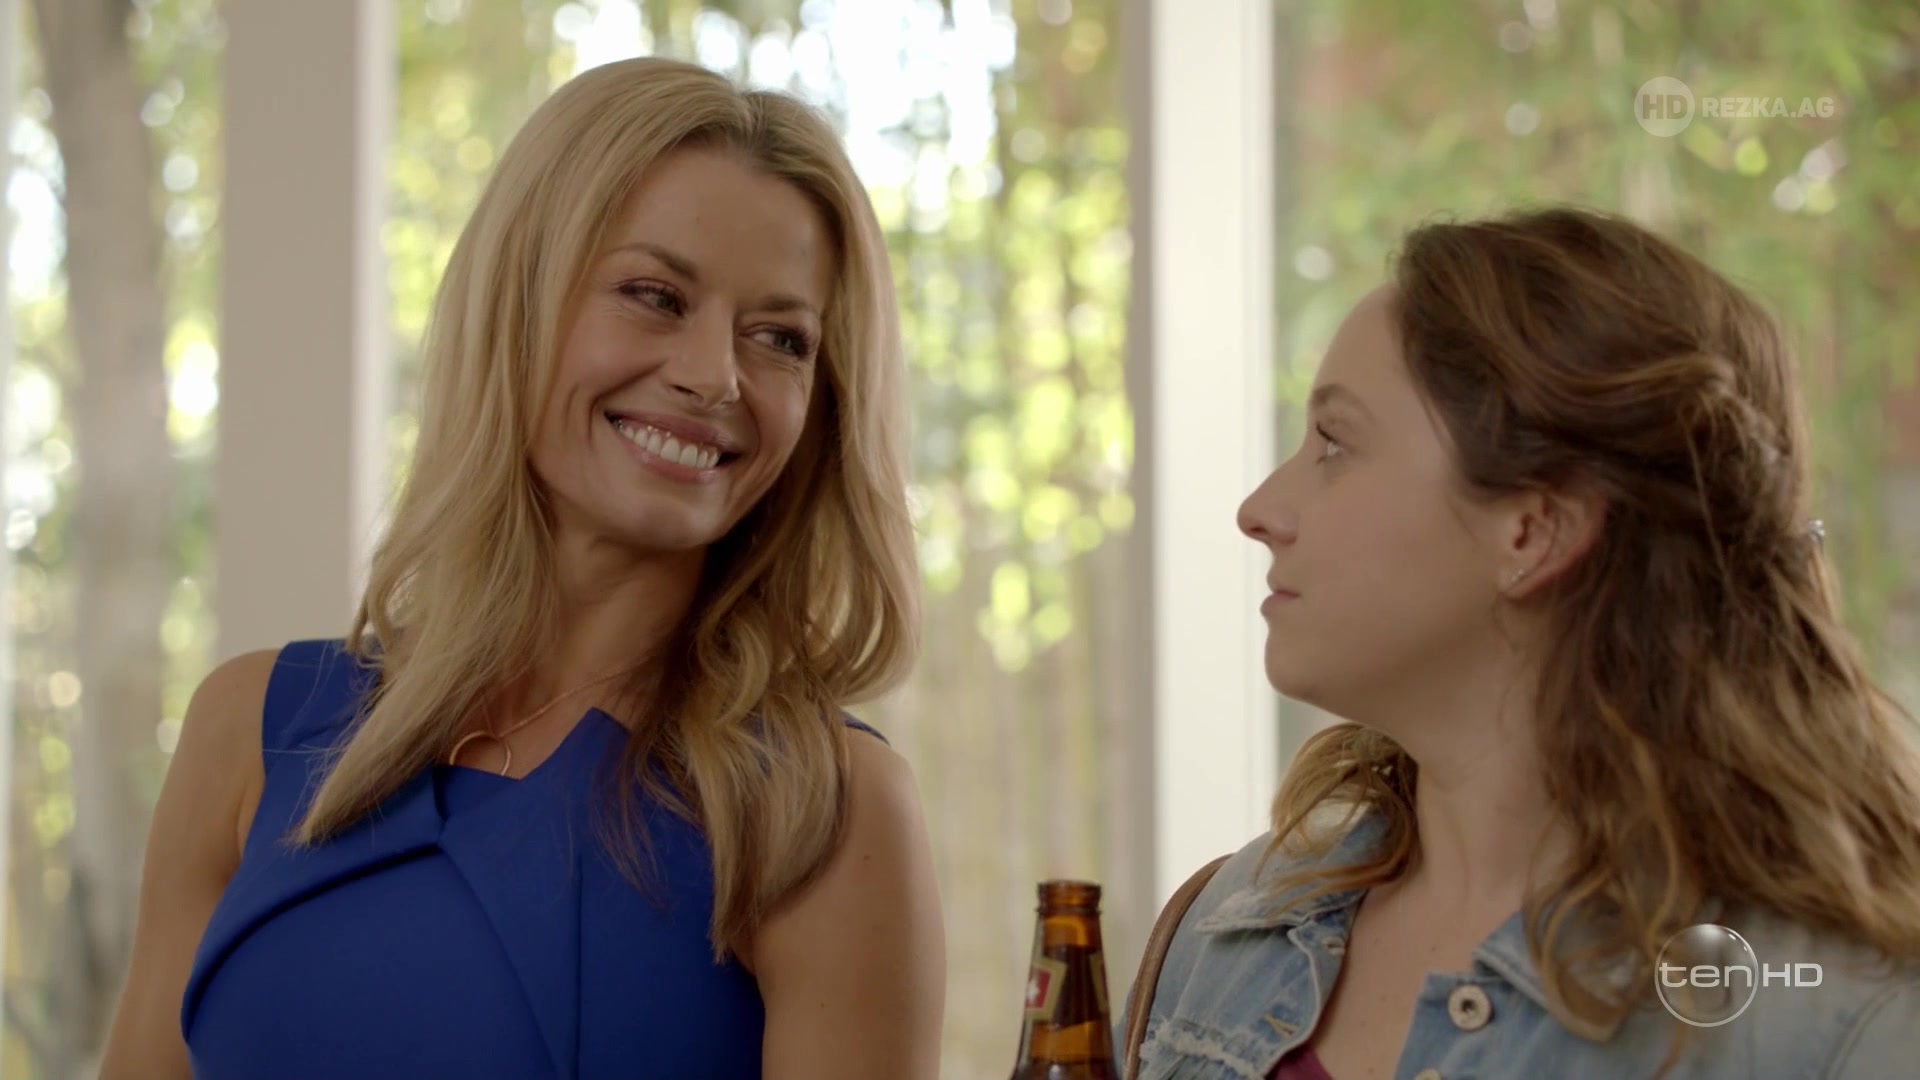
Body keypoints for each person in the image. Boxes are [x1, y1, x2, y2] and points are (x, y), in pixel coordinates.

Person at [100, 57, 945, 1080]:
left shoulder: (824, 807)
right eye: (655, 296)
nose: (713, 375)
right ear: (517, 301)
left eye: (780, 337)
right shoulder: (249, 728)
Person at [1124, 206, 1920, 1079]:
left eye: (1334, 443)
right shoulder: (1224, 935)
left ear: (1535, 532)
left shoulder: (1840, 1026)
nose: (1259, 510)